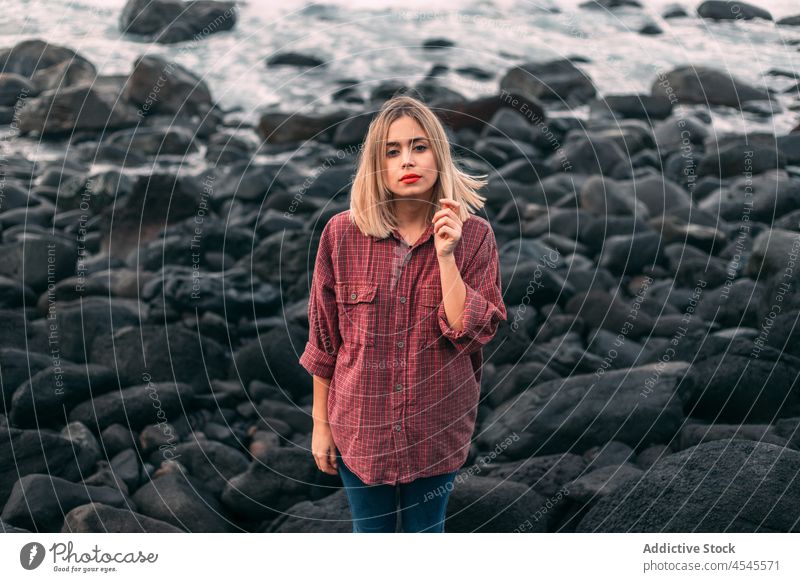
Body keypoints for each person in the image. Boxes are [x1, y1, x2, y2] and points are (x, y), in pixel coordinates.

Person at [299, 94, 507, 533]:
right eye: (392, 151)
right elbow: (324, 343)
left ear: (438, 153)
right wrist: (321, 426)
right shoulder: (341, 235)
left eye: (418, 146)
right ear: (377, 165)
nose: (406, 160)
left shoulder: (476, 237)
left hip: (437, 428)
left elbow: (469, 332)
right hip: (360, 427)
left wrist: (446, 255)